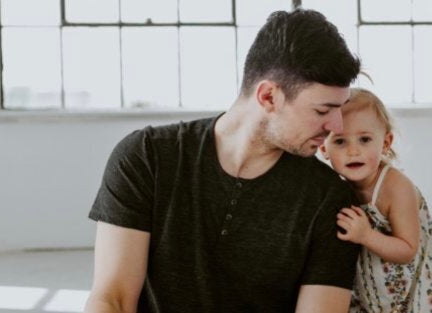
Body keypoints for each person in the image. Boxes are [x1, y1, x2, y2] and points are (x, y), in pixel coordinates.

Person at [84, 9, 363, 313]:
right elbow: (113, 299)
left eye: (340, 109)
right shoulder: (147, 157)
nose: (337, 125)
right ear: (268, 96)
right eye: (323, 111)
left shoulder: (330, 198)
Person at [319, 88, 432, 313]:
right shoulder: (338, 187)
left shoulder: (396, 187)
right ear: (323, 148)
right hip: (373, 292)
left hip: (411, 295)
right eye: (340, 142)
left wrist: (366, 235)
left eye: (365, 139)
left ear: (385, 143)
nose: (353, 151)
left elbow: (407, 249)